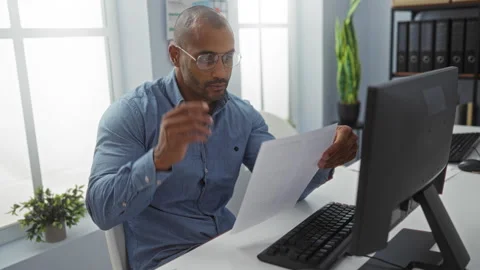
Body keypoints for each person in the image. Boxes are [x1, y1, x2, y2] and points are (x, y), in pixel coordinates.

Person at [86, 6, 358, 270]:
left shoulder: (242, 115)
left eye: (227, 57)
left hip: (228, 248)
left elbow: (287, 188)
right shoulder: (131, 113)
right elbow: (101, 211)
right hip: (167, 259)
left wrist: (328, 155)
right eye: (206, 59)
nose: (220, 72)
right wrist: (157, 161)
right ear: (174, 55)